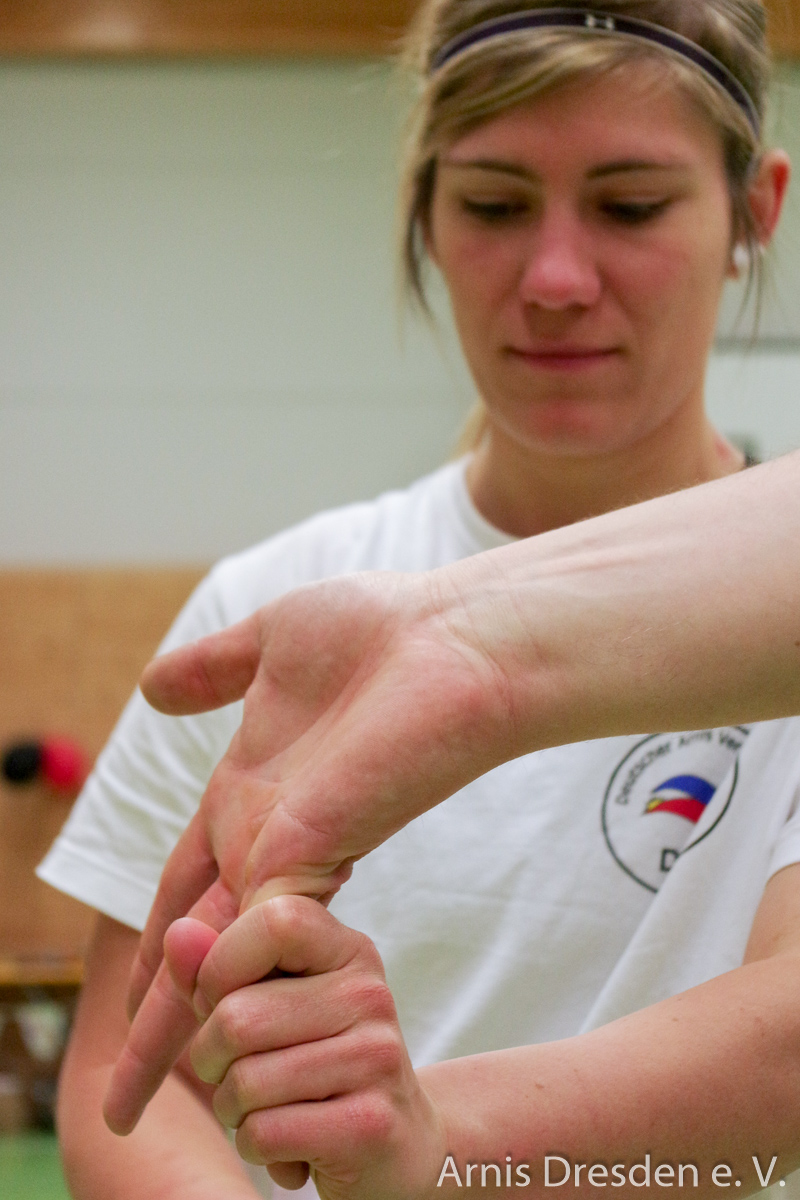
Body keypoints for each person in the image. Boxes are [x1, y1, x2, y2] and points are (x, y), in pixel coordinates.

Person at [37, 1, 800, 1195]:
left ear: (753, 210)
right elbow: (125, 1079)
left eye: (629, 206)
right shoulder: (277, 613)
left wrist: (432, 1141)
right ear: (423, 215)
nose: (554, 281)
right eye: (493, 205)